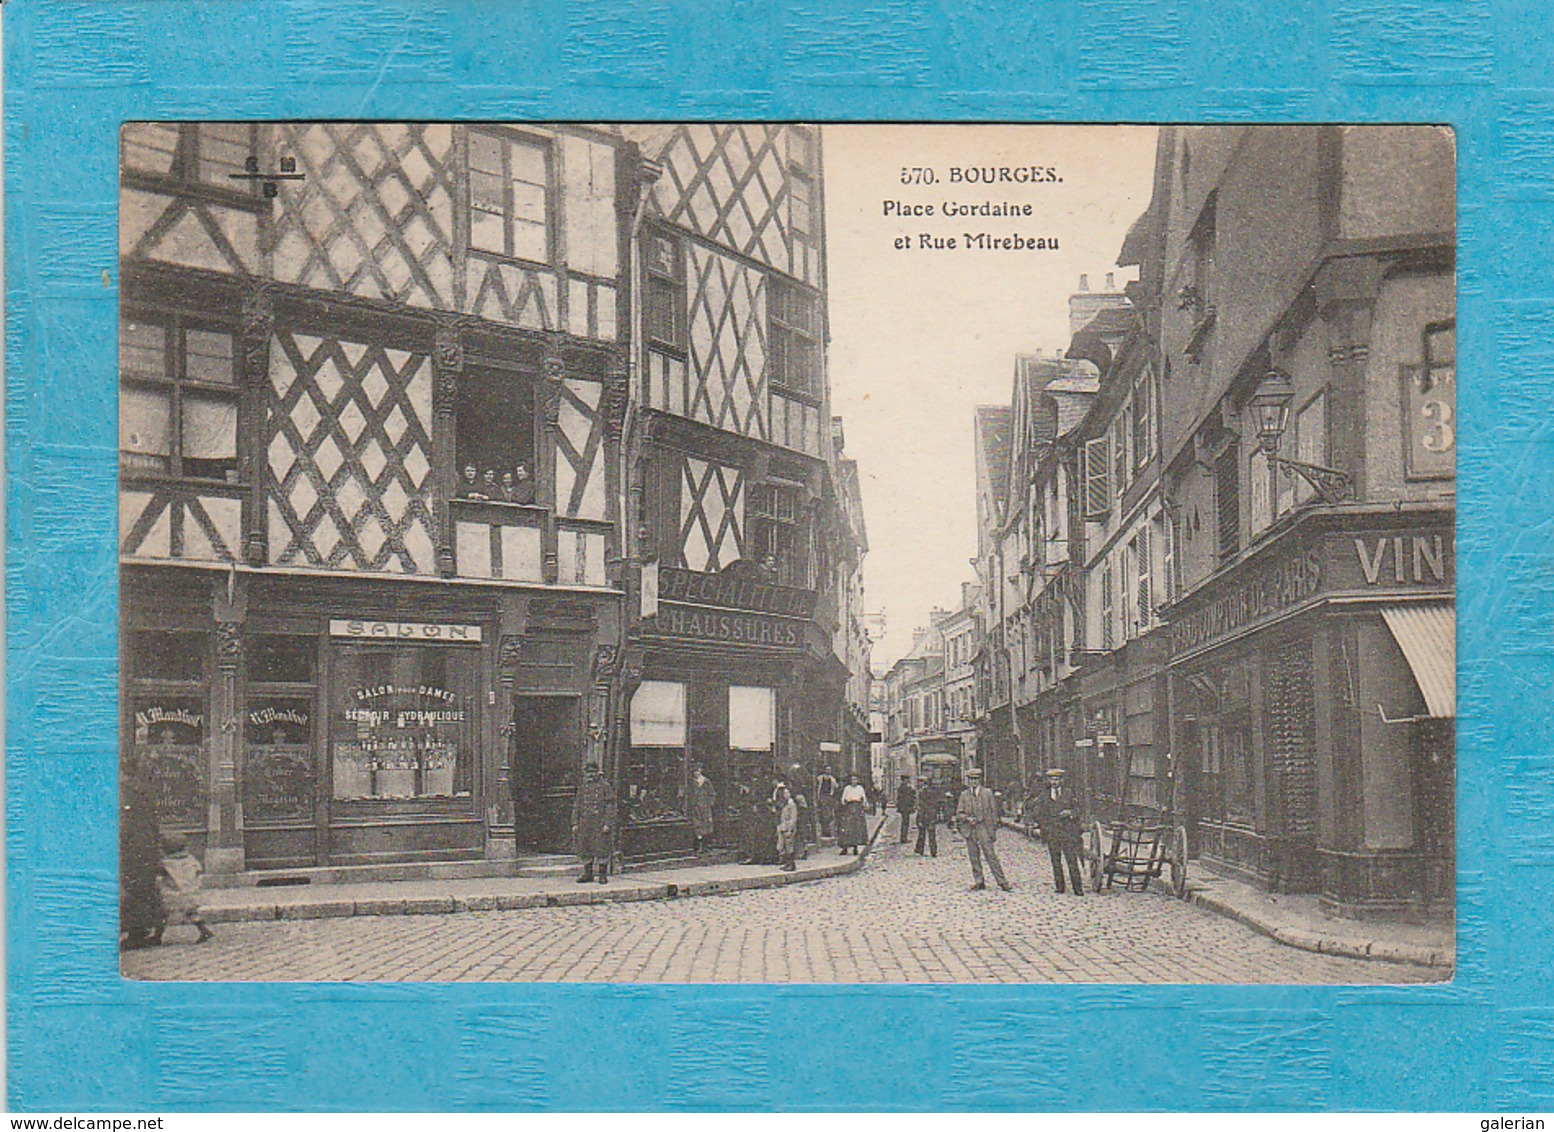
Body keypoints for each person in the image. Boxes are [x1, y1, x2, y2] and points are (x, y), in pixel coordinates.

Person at [119, 751, 164, 951]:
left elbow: (124, 825)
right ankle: (142, 929)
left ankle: (137, 932)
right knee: (142, 888)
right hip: (146, 847)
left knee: (134, 889)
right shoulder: (143, 791)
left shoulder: (126, 792)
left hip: (134, 847)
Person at [955, 767, 1012, 892]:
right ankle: (979, 881)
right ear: (968, 781)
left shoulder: (987, 793)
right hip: (970, 829)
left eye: (976, 779)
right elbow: (959, 813)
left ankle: (1002, 882)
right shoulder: (964, 795)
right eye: (971, 779)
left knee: (991, 855)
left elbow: (993, 813)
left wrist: (992, 830)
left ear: (980, 780)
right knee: (974, 856)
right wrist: (967, 818)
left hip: (983, 828)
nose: (974, 782)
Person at [155, 833, 214, 944]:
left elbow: (159, 875)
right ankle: (203, 930)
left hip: (172, 892)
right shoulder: (190, 859)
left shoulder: (166, 863)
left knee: (162, 914)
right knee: (192, 913)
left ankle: (158, 936)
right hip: (190, 891)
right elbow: (198, 870)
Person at [1037, 767, 1085, 896]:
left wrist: (1070, 813)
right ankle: (1060, 887)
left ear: (1061, 780)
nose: (1054, 782)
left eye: (1057, 779)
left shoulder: (1069, 793)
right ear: (1048, 780)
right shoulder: (1044, 795)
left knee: (1072, 861)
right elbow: (1039, 814)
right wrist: (1045, 828)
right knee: (1056, 862)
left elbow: (1078, 810)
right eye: (1052, 779)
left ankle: (1077, 888)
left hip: (1067, 833)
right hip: (1052, 834)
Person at [572, 762, 615, 884]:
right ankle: (588, 873)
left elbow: (610, 805)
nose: (590, 775)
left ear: (598, 773)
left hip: (600, 822)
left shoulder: (605, 786)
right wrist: (575, 822)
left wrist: (607, 823)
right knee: (585, 848)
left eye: (593, 772)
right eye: (588, 772)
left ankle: (602, 874)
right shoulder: (583, 787)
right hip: (585, 822)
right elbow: (577, 805)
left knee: (602, 848)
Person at [837, 774, 868, 855]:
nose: (854, 781)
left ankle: (855, 847)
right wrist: (847, 801)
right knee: (847, 828)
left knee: (856, 828)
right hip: (849, 808)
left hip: (857, 808)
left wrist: (863, 805)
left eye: (855, 779)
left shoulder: (860, 788)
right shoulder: (847, 788)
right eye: (852, 779)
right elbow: (843, 799)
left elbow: (864, 799)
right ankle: (845, 848)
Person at [690, 765, 716, 854]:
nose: (696, 773)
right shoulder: (692, 782)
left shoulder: (706, 781)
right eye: (694, 772)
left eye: (697, 771)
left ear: (701, 770)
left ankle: (706, 847)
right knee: (697, 826)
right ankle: (698, 847)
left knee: (706, 827)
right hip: (696, 807)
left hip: (705, 807)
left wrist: (709, 803)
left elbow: (712, 793)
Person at [915, 777, 942, 857]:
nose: (918, 783)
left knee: (924, 832)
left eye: (920, 782)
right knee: (929, 833)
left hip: (926, 814)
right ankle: (931, 850)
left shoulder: (924, 792)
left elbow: (923, 805)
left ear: (924, 783)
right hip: (931, 814)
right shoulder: (932, 791)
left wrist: (920, 814)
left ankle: (922, 849)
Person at [775, 784, 799, 872]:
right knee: (781, 846)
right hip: (782, 827)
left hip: (788, 827)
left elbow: (793, 818)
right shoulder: (782, 804)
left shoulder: (791, 804)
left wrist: (790, 828)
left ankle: (791, 864)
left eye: (788, 793)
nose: (786, 795)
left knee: (789, 846)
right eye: (785, 793)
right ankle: (786, 863)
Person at [816, 770, 838, 838]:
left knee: (828, 814)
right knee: (822, 814)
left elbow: (836, 786)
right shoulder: (819, 778)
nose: (828, 771)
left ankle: (828, 832)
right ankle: (823, 831)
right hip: (822, 797)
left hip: (828, 797)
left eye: (829, 770)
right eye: (827, 769)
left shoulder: (832, 779)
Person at [895, 776, 917, 843]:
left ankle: (903, 837)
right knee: (905, 822)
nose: (908, 780)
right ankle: (904, 838)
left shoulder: (902, 787)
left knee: (905, 822)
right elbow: (911, 794)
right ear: (904, 780)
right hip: (905, 807)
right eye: (907, 779)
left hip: (904, 807)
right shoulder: (905, 788)